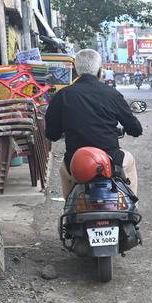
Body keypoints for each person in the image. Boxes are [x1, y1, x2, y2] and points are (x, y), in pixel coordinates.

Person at [45, 48, 143, 195]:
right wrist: (130, 129)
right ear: (100, 71)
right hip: (112, 160)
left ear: (76, 71)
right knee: (130, 161)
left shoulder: (62, 95)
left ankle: (71, 210)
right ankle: (132, 206)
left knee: (63, 171)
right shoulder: (113, 94)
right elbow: (135, 129)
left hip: (75, 160)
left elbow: (52, 134)